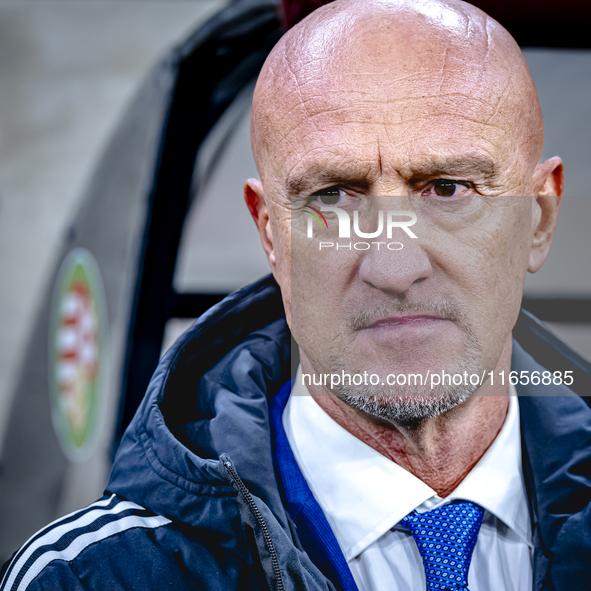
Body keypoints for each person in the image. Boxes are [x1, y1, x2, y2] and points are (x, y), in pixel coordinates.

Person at [2, 0, 590, 590]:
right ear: (270, 235)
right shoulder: (93, 580)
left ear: (538, 218)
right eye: (334, 196)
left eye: (447, 188)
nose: (395, 264)